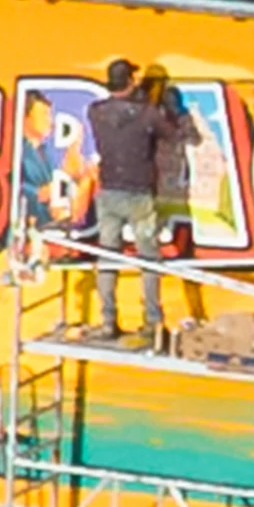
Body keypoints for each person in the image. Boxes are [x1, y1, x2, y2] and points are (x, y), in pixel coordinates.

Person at [84, 56, 173, 343]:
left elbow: (120, 119)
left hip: (108, 193)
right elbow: (171, 135)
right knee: (149, 258)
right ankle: (152, 322)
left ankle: (108, 320)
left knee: (108, 256)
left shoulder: (95, 111)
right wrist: (156, 103)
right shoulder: (148, 114)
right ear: (132, 82)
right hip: (139, 195)